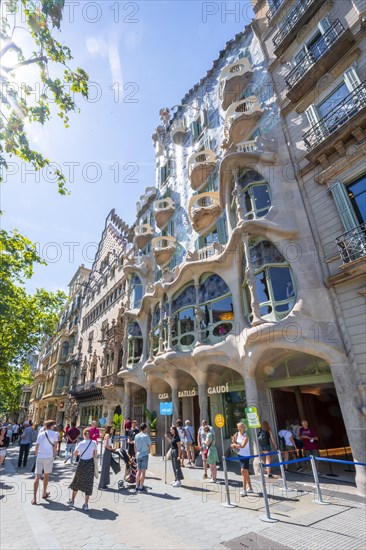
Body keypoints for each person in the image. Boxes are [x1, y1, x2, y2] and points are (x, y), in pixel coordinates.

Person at [68, 427, 97, 511]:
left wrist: (78, 453)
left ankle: (72, 500)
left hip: (82, 463)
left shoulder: (80, 443)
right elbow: (95, 455)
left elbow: (75, 454)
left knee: (77, 481)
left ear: (84, 435)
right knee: (88, 483)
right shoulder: (94, 443)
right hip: (90, 463)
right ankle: (86, 504)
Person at [32, 419, 58, 505]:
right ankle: (44, 493)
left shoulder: (41, 434)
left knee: (37, 476)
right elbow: (55, 446)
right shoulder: (54, 434)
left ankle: (34, 498)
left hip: (40, 456)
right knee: (46, 475)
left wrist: (37, 454)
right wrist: (54, 454)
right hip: (48, 457)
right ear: (51, 426)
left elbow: (37, 446)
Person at [231, 422, 253, 496]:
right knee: (245, 472)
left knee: (243, 471)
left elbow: (243, 446)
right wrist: (234, 444)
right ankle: (250, 488)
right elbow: (232, 442)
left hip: (246, 455)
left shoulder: (246, 436)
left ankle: (244, 490)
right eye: (238, 427)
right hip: (240, 455)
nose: (239, 428)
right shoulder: (236, 434)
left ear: (244, 427)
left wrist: (235, 445)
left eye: (240, 427)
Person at [134, 423, 151, 492]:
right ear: (145, 428)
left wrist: (136, 453)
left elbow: (134, 445)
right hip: (144, 454)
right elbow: (150, 444)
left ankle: (136, 486)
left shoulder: (136, 436)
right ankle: (141, 487)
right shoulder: (146, 436)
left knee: (138, 471)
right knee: (143, 472)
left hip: (138, 454)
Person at [99, 425, 115, 489]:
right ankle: (102, 484)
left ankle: (104, 483)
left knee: (106, 468)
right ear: (109, 429)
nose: (113, 430)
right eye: (112, 429)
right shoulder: (107, 435)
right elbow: (106, 445)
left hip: (108, 451)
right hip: (107, 451)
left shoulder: (108, 435)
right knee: (105, 468)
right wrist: (112, 449)